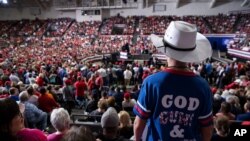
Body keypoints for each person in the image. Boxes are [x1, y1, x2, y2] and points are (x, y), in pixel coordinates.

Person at [133, 21, 214, 141]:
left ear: (165, 49)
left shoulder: (151, 83)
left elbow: (138, 124)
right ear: (191, 53)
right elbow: (207, 128)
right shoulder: (203, 86)